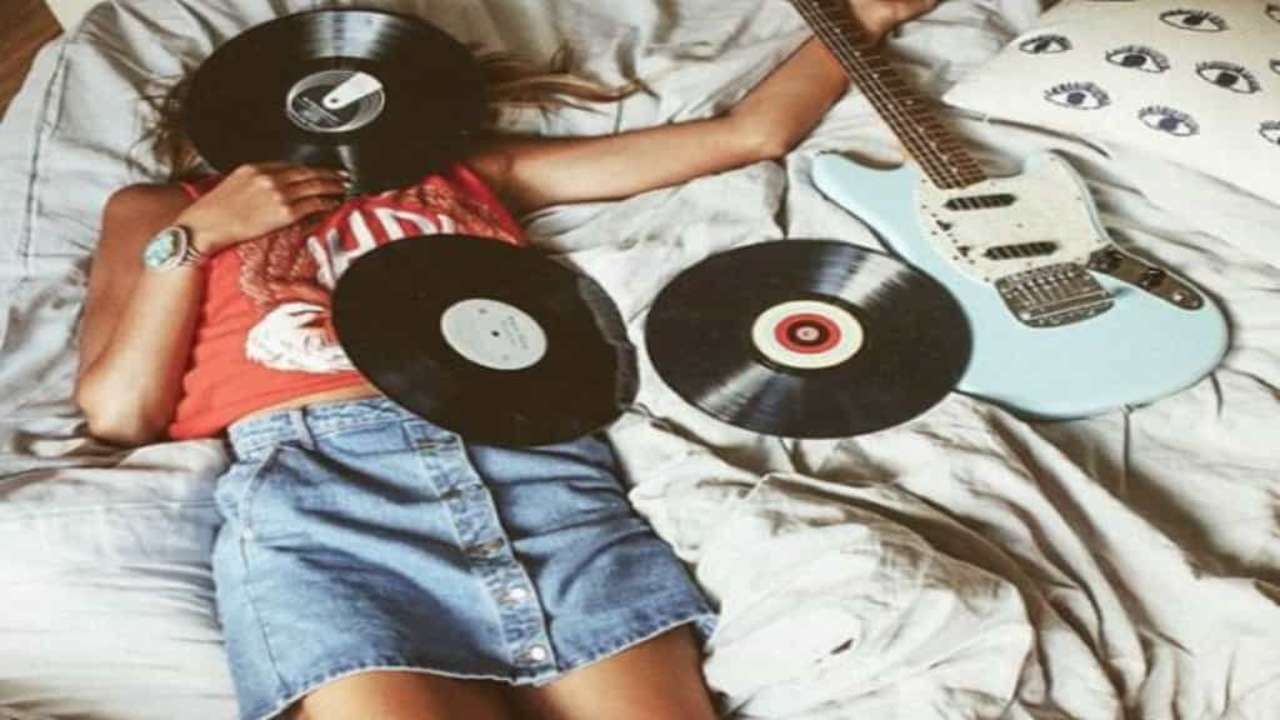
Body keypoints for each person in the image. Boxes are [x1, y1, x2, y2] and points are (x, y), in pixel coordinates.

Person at [74, 1, 936, 718]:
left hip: (540, 476)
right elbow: (118, 412)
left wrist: (862, 19)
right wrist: (197, 237)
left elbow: (748, 136)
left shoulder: (466, 176)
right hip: (329, 504)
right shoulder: (159, 209)